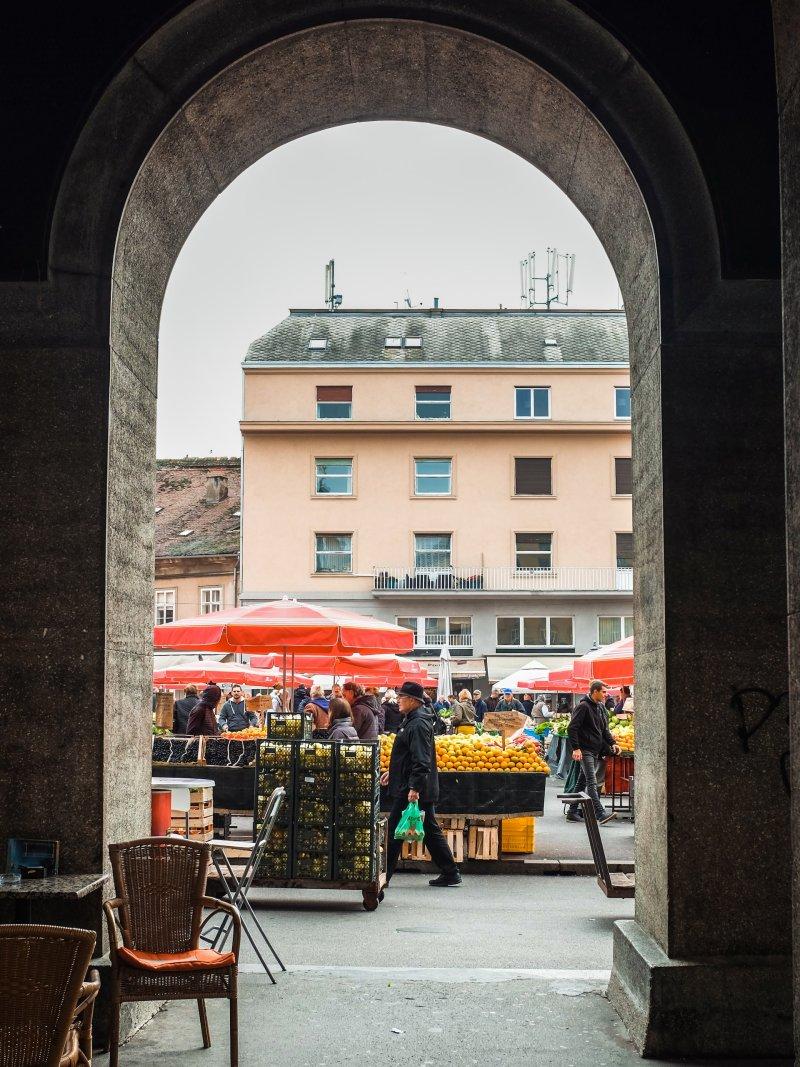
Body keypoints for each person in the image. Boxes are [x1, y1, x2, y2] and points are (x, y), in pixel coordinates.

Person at [381, 681, 462, 888]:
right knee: (430, 829)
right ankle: (450, 872)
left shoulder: (417, 723)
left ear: (413, 701)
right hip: (412, 784)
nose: (398, 700)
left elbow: (421, 759)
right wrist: (394, 771)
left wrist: (414, 788)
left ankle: (383, 876)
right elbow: (410, 755)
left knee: (395, 830)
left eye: (401, 697)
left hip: (414, 787)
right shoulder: (412, 720)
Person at [566, 680, 621, 824]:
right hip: (585, 750)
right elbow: (572, 728)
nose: (605, 694)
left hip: (595, 750)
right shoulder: (583, 706)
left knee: (581, 781)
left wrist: (613, 743)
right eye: (603, 692)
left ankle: (572, 811)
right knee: (592, 781)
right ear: (594, 691)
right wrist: (576, 748)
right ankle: (600, 813)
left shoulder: (600, 707)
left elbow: (604, 730)